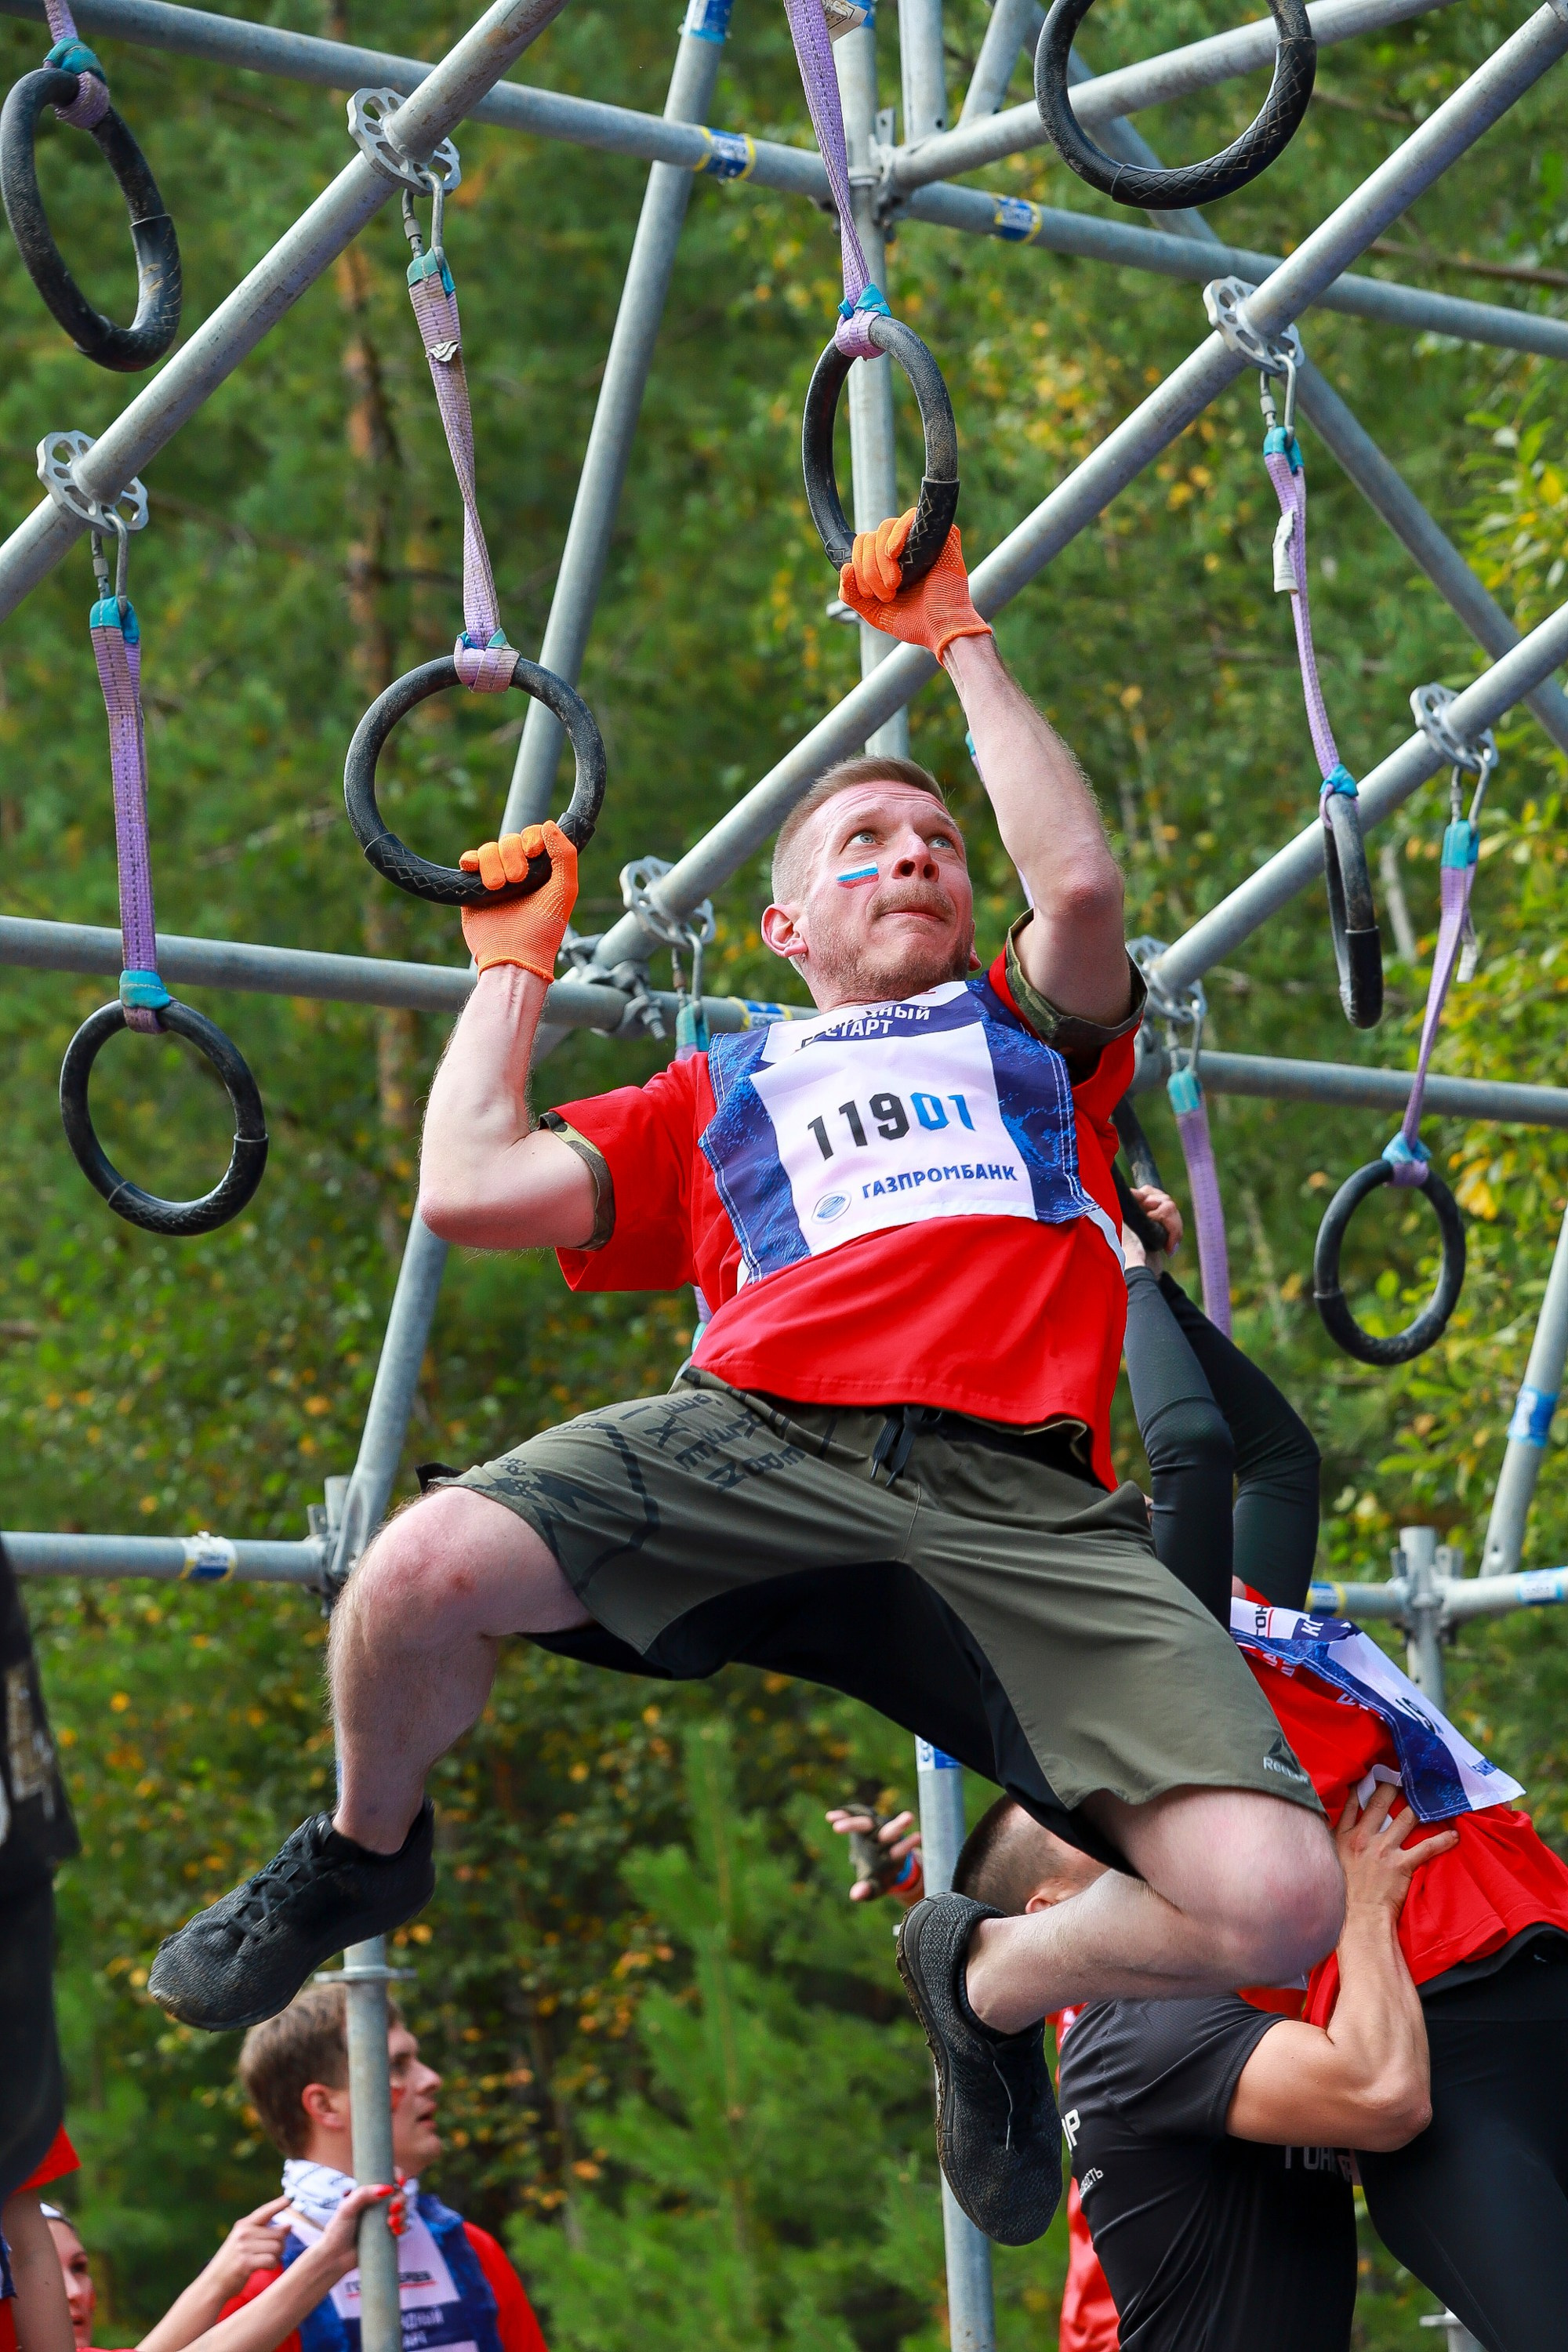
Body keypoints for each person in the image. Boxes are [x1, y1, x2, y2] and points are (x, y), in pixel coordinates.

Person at [149, 516, 1341, 2248]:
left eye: (937, 839)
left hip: (1024, 1501)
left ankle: (987, 1973)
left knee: (1279, 1903)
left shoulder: (1035, 1042)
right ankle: (361, 1847)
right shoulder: (721, 1090)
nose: (918, 858)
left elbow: (1077, 889)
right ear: (785, 923)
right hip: (756, 1443)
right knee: (412, 1575)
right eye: (868, 842)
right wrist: (510, 967)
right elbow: (469, 1182)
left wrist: (956, 637)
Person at [220, 1985, 546, 2352]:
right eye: (397, 2066)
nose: (431, 2079)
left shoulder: (472, 2250)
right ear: (325, 2106)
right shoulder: (256, 2281)